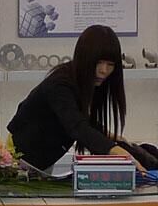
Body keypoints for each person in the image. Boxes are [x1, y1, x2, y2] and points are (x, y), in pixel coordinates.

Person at [8, 24, 149, 176]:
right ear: (84, 58)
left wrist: (109, 136)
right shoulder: (59, 84)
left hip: (43, 157)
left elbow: (81, 118)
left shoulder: (87, 80)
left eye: (110, 65)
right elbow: (76, 125)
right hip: (21, 157)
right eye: (98, 62)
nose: (104, 70)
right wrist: (118, 152)